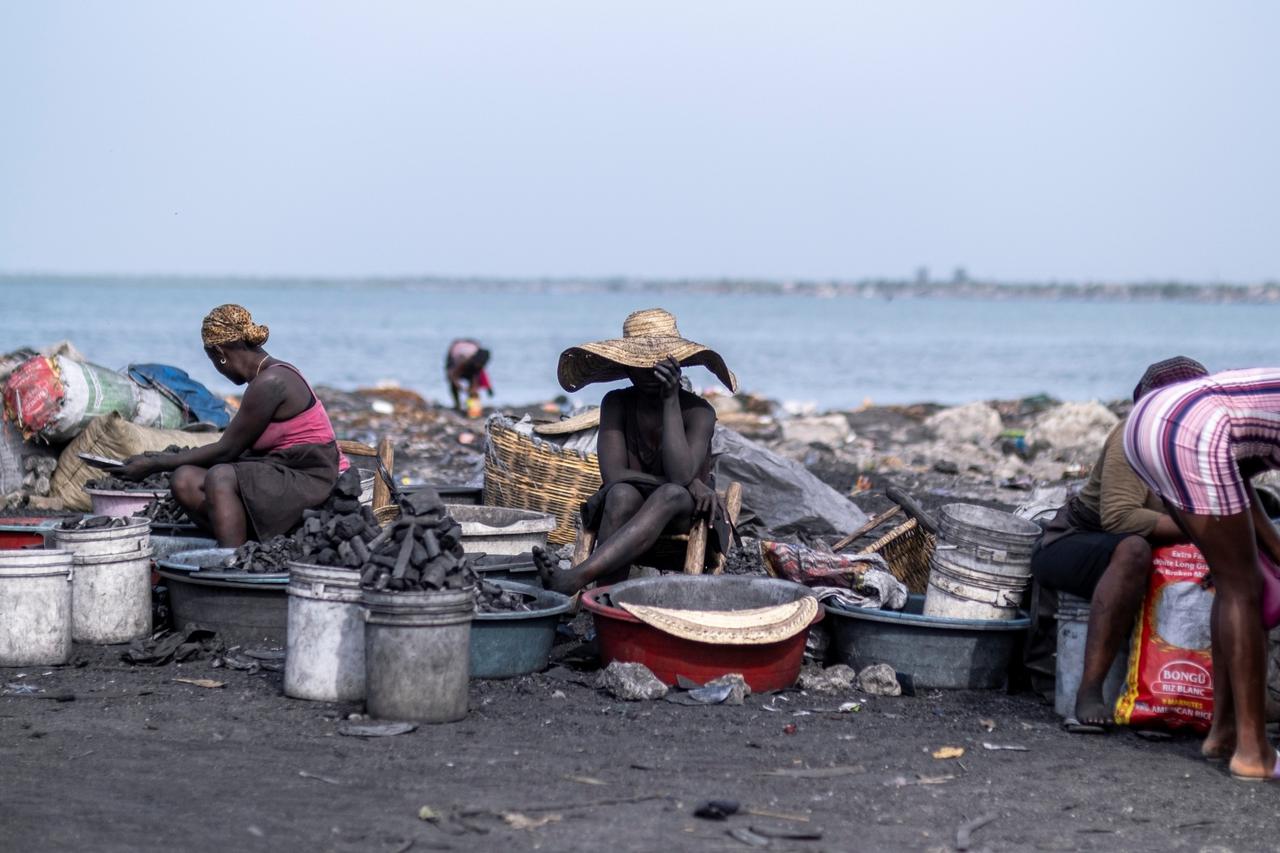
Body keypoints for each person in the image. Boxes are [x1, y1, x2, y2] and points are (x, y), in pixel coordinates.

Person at [1030, 357, 1209, 732]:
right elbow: (1119, 518)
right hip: (1074, 543)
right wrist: (1196, 529)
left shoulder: (1203, 447)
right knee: (1133, 550)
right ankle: (1090, 691)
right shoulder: (1134, 438)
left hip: (1145, 550)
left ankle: (1182, 699)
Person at [1124, 367, 1280, 781]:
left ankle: (1225, 733)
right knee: (1242, 588)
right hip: (1192, 429)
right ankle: (1253, 753)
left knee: (1234, 582)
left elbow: (1239, 484)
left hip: (1145, 424)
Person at [535, 309, 736, 595]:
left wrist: (669, 400)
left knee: (671, 493)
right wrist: (693, 484)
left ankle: (577, 578)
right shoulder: (616, 403)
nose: (652, 372)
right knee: (620, 493)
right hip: (633, 502)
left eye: (660, 364)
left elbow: (678, 476)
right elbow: (614, 474)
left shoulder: (699, 411)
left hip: (685, 511)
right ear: (627, 367)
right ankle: (605, 603)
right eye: (641, 364)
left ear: (675, 365)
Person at [117, 304, 348, 547]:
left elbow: (227, 450)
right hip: (279, 473)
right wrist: (172, 461)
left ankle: (232, 561)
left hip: (311, 479)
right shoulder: (262, 379)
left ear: (219, 353)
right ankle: (246, 542)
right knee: (184, 480)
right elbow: (233, 449)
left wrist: (154, 464)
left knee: (221, 477)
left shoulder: (271, 382)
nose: (218, 369)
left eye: (213, 361)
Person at [445, 339, 493, 414]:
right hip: (457, 354)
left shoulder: (479, 360)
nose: (480, 366)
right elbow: (453, 376)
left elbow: (481, 374)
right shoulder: (463, 361)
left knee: (473, 385)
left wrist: (488, 388)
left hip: (471, 347)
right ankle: (457, 405)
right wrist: (461, 387)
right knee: (453, 384)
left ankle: (472, 408)